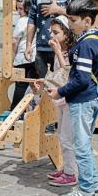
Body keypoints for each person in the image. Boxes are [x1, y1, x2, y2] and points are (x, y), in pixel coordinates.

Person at [47, 0, 98, 196]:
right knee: (83, 144)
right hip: (89, 98)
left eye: (72, 20)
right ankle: (93, 185)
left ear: (87, 21)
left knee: (80, 145)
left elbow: (81, 78)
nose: (69, 24)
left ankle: (87, 189)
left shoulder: (85, 45)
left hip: (83, 100)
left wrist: (60, 91)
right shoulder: (94, 40)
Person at [37, 16, 77, 187]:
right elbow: (58, 75)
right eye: (51, 32)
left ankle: (71, 174)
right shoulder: (59, 50)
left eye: (56, 32)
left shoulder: (73, 51)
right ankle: (67, 168)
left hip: (71, 99)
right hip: (61, 98)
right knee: (62, 136)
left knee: (68, 138)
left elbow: (68, 72)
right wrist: (45, 81)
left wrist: (59, 52)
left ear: (67, 33)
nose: (51, 36)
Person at [10, 0, 37, 110]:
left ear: (27, 8)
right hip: (34, 57)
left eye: (21, 8)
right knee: (33, 86)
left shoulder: (21, 21)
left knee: (20, 86)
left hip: (21, 57)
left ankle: (15, 109)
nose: (19, 11)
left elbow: (14, 41)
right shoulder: (34, 21)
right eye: (17, 8)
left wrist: (13, 56)